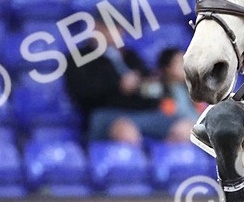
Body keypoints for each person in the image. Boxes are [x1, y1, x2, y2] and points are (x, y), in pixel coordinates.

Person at [65, 22, 194, 143]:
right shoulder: (80, 57)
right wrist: (118, 85)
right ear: (97, 27)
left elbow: (147, 79)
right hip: (106, 113)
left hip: (142, 112)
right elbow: (83, 93)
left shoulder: (130, 56)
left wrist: (146, 83)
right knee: (126, 132)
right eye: (110, 27)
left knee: (187, 128)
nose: (116, 32)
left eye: (119, 27)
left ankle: (167, 163)